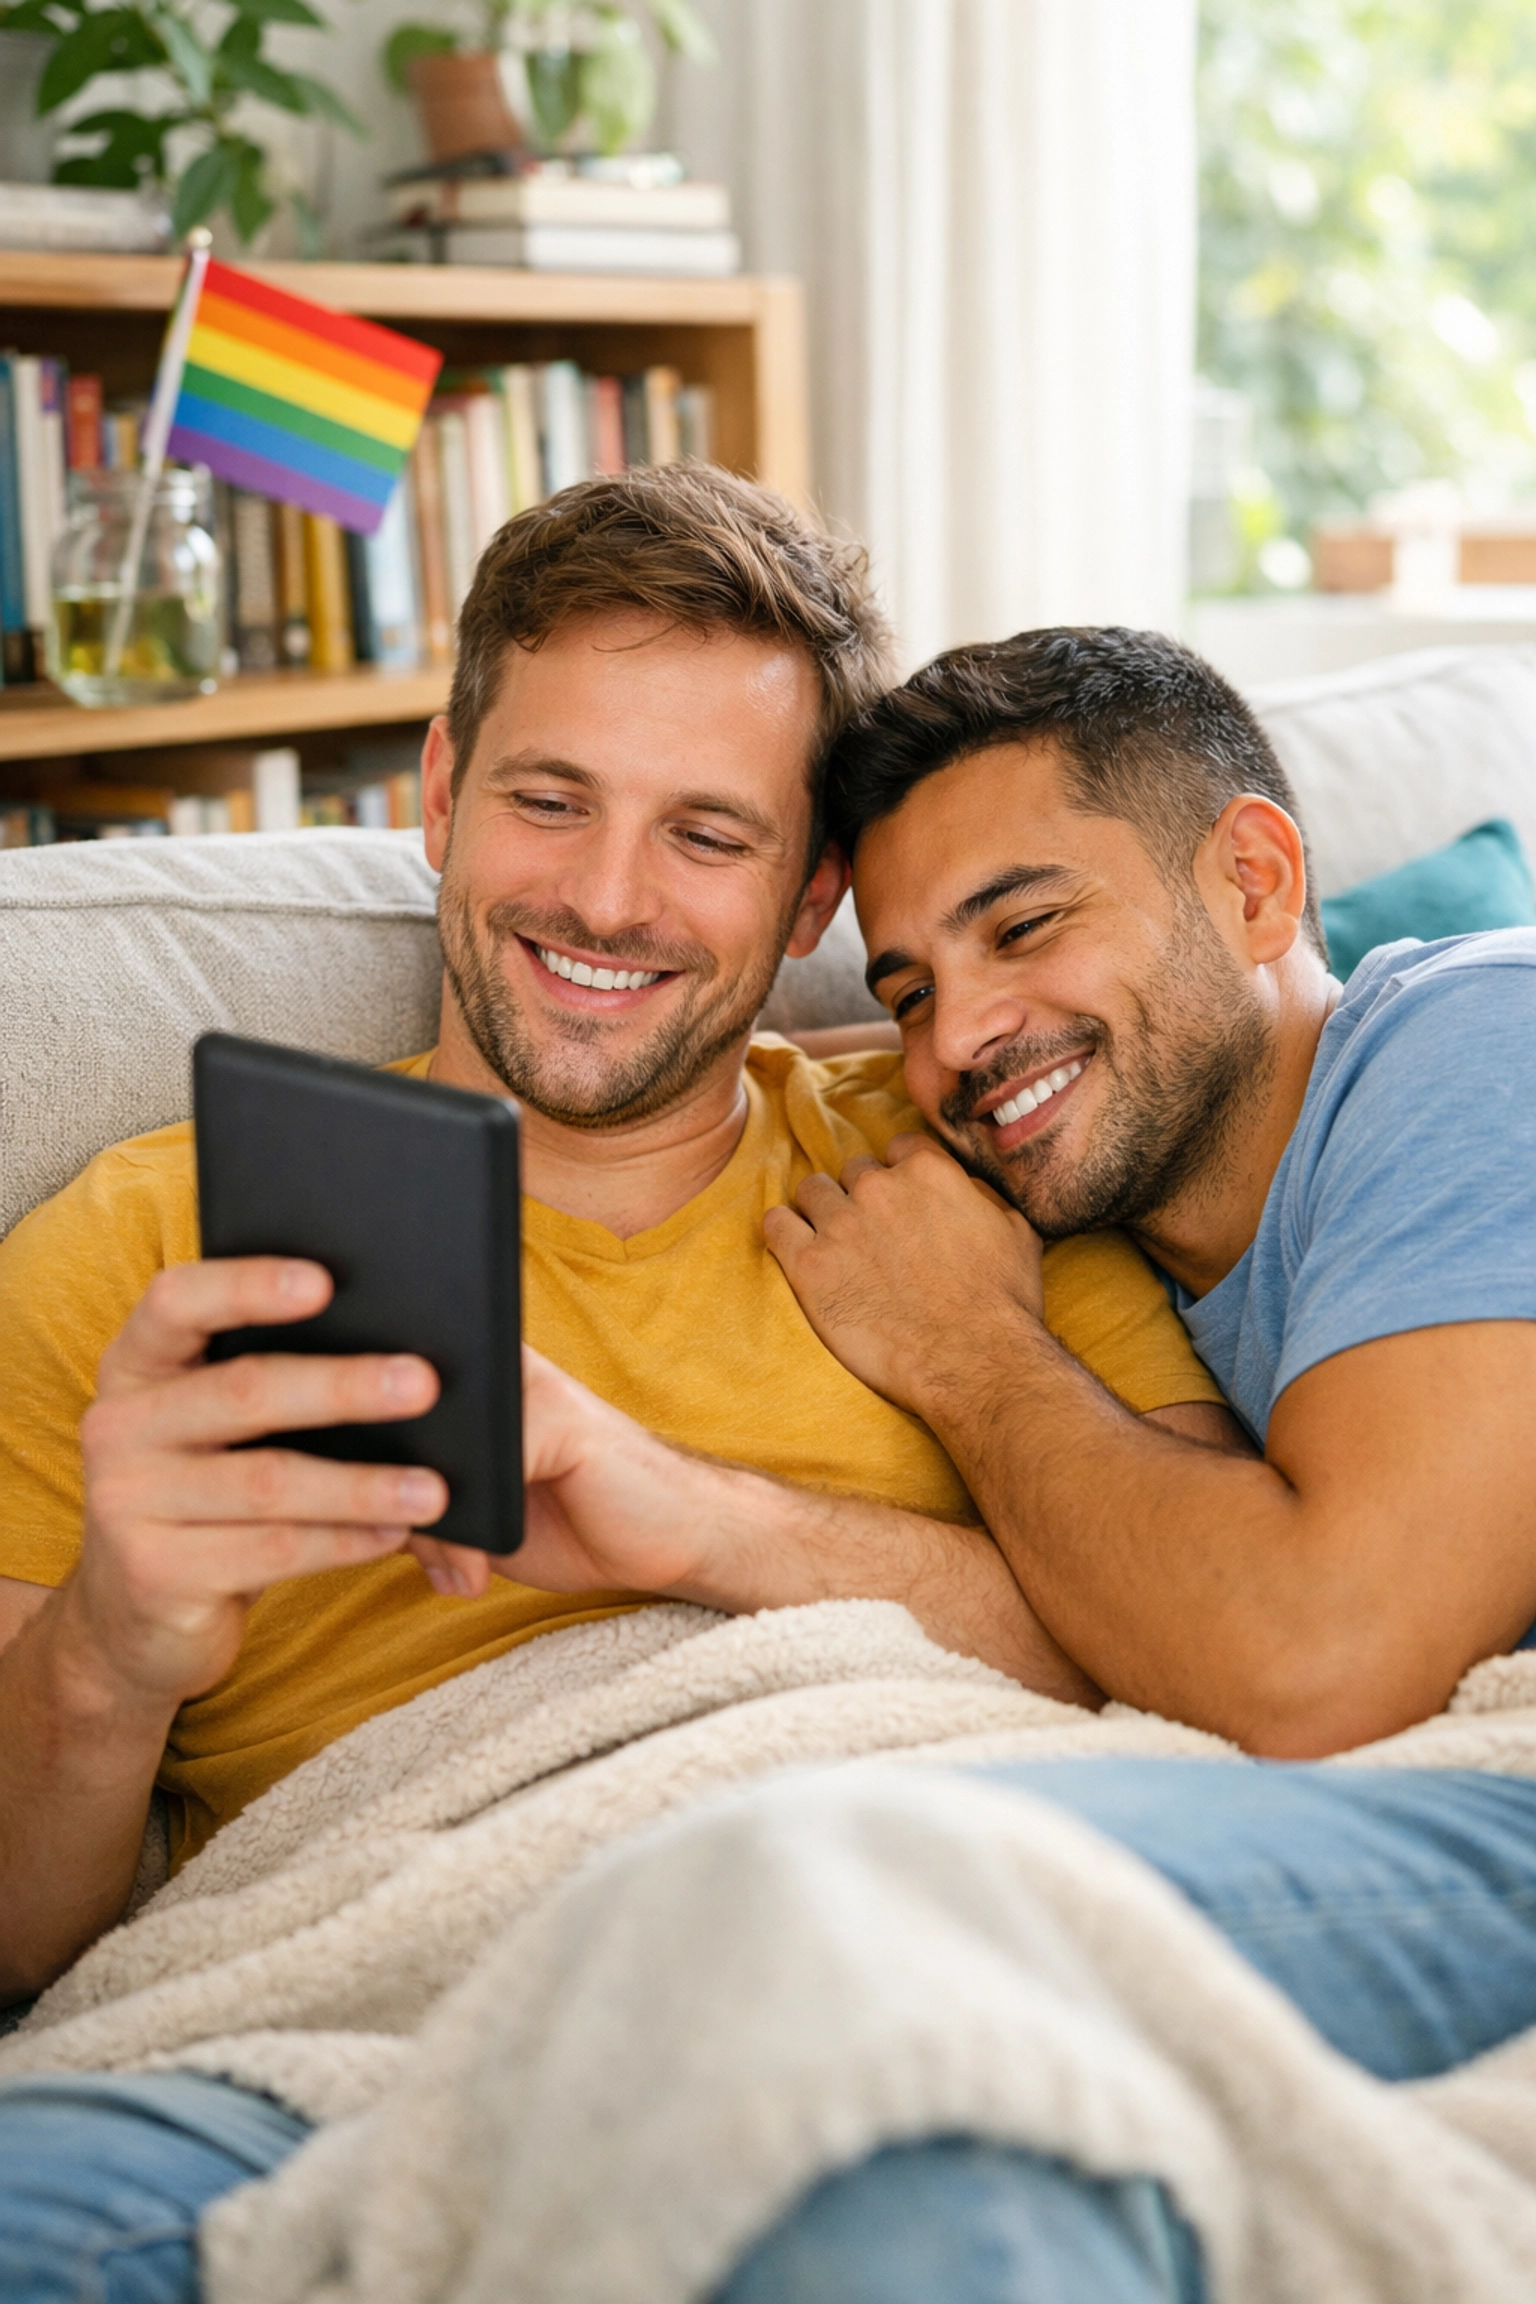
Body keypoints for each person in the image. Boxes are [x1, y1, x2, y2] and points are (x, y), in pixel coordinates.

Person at [0, 509, 1226, 2300]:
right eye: (549, 800)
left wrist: (714, 1526)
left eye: (709, 836)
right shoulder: (141, 1247)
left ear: (812, 892)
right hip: (353, 2009)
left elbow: (1217, 1648)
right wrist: (110, 1654)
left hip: (897, 1938)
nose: (605, 899)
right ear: (440, 789)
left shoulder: (965, 1183)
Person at [692, 622, 1536, 2302]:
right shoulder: (1106, 1203)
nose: (959, 1044)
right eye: (914, 988)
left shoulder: (1474, 1042)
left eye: (1025, 924)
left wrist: (966, 1353)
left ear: (1253, 884)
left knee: (855, 1921)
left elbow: (1321, 1659)